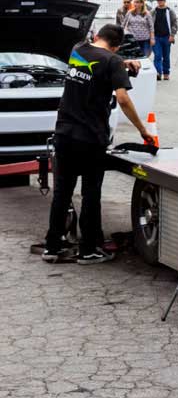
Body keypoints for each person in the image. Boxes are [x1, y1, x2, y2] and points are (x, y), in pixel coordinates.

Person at [43, 24, 153, 264]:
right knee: (91, 193)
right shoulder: (112, 61)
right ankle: (88, 249)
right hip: (90, 138)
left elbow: (99, 59)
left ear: (97, 36)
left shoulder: (78, 50)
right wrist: (143, 130)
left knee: (62, 192)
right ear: (116, 46)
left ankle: (52, 247)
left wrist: (123, 63)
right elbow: (122, 98)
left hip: (63, 133)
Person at [152, 0, 178, 81]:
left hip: (167, 37)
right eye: (158, 0)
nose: (160, 2)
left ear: (164, 1)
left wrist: (172, 35)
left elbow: (174, 24)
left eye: (161, 0)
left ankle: (166, 73)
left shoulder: (170, 11)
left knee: (166, 56)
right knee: (157, 55)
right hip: (156, 37)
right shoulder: (153, 11)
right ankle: (158, 73)